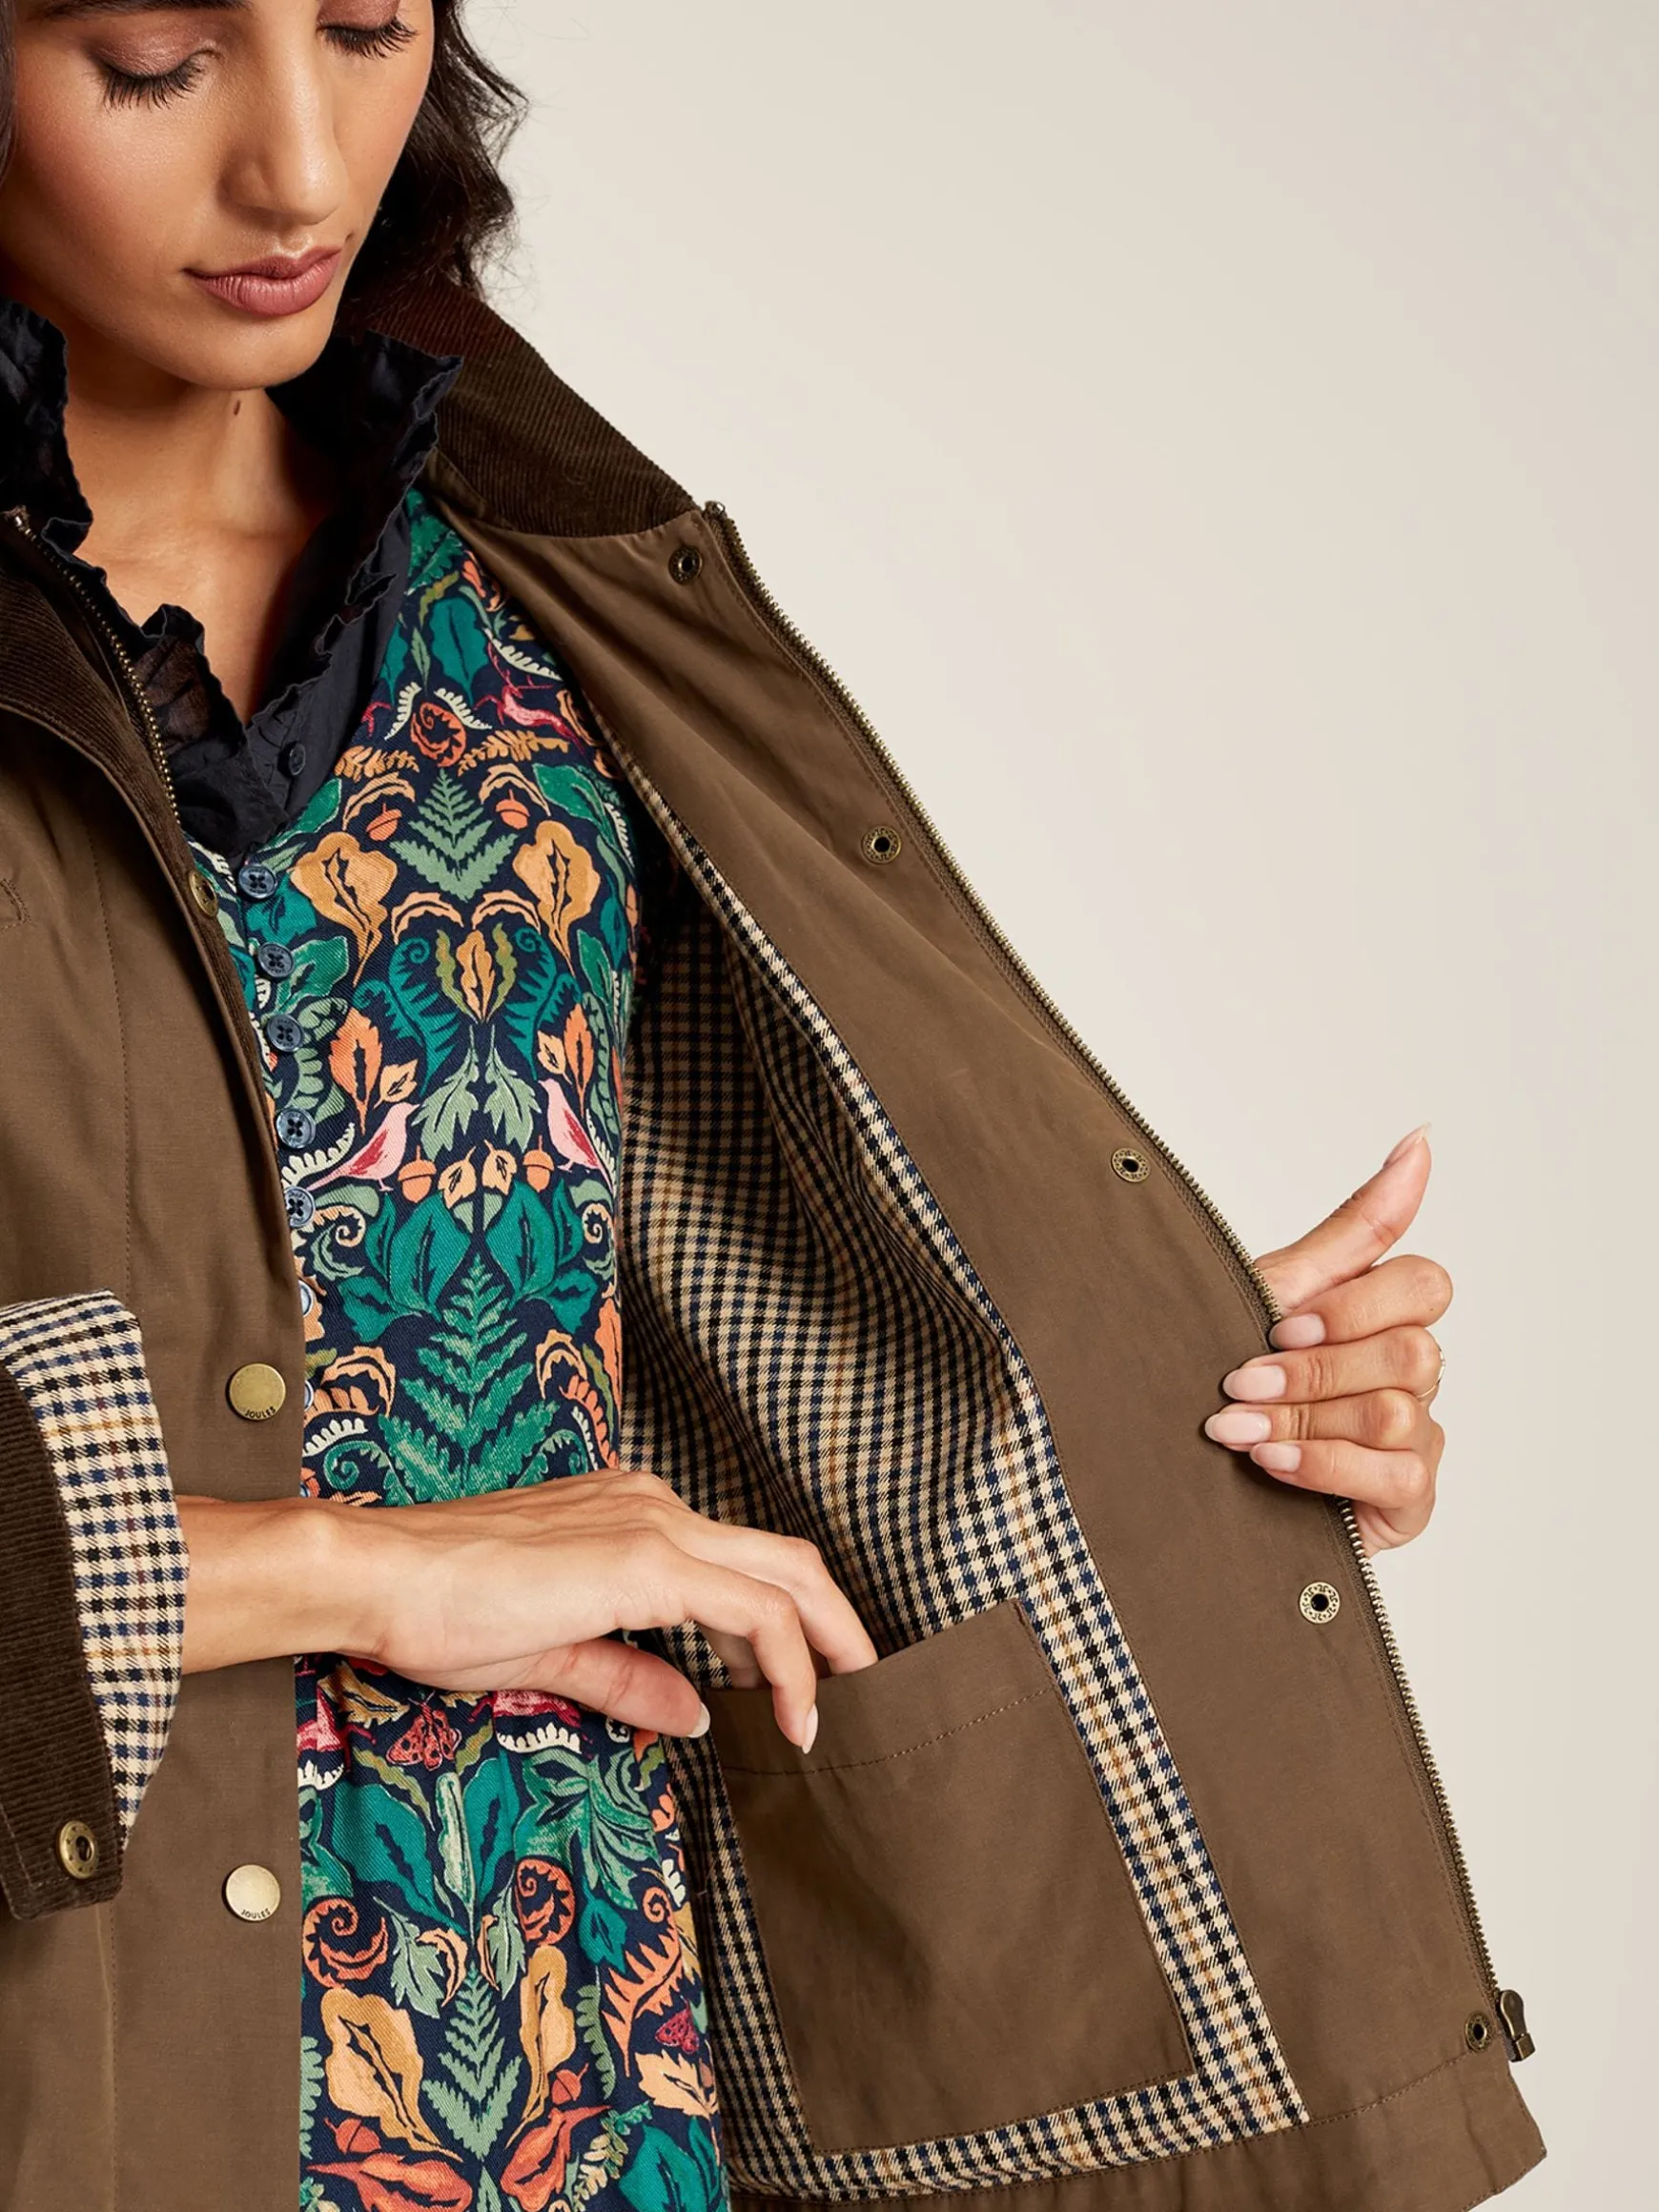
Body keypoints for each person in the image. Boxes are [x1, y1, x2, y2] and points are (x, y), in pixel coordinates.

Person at [0, 6, 1543, 2211]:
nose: (303, 166)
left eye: (363, 26)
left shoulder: (548, 573)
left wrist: (1140, 1391)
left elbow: (670, 1310)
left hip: (601, 2058)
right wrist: (351, 1566)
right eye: (156, 57)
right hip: (86, 2064)